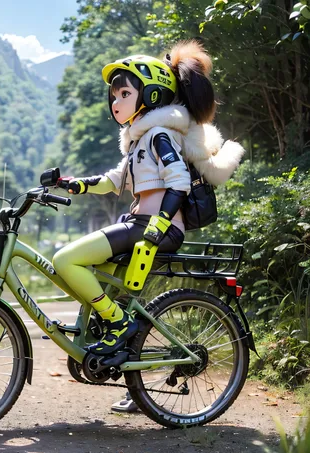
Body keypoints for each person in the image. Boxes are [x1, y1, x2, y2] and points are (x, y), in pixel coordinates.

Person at [52, 40, 244, 410]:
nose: (115, 101)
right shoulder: (141, 141)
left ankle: (119, 325)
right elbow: (114, 179)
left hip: (155, 227)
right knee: (107, 287)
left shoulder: (159, 136)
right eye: (113, 94)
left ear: (151, 95)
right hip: (140, 222)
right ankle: (126, 354)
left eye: (124, 92)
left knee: (66, 261)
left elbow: (179, 183)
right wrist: (72, 184)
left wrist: (158, 222)